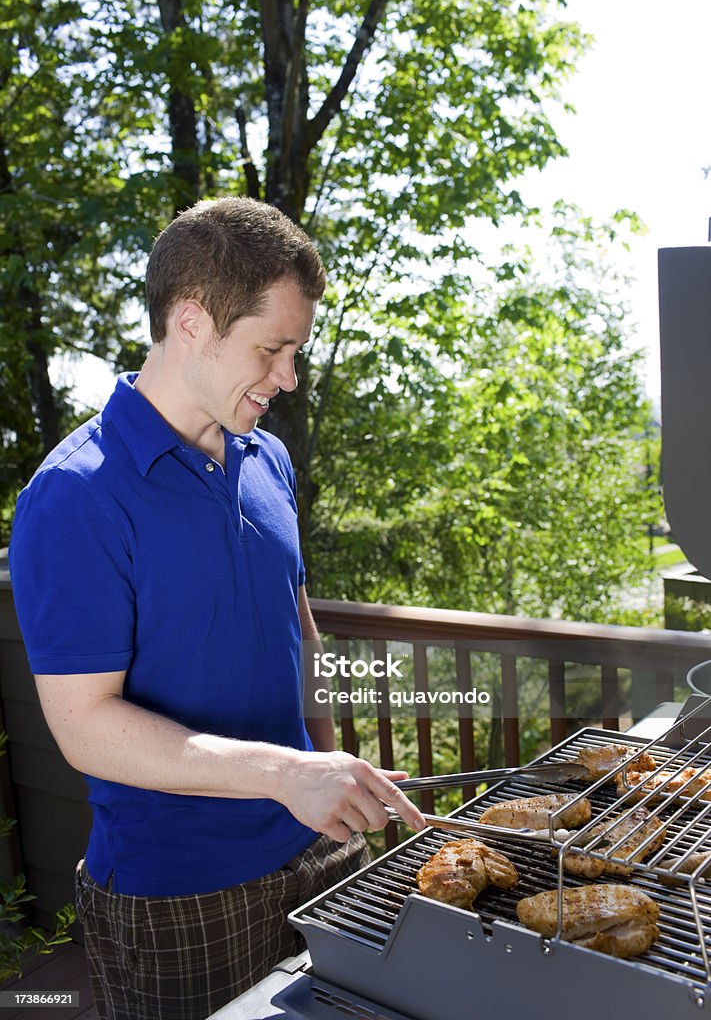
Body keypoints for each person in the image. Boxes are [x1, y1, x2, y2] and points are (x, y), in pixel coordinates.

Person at [8, 197, 426, 1020]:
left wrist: (329, 780)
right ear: (191, 320)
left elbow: (298, 634)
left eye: (294, 350)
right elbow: (85, 726)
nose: (288, 378)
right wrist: (286, 773)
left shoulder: (267, 457)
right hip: (177, 895)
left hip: (315, 851)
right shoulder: (73, 495)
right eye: (271, 349)